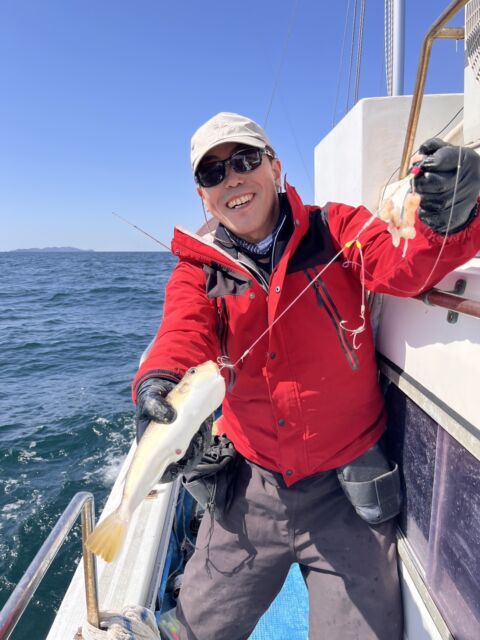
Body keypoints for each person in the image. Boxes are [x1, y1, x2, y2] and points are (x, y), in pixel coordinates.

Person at [132, 112, 480, 640]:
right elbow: (183, 333)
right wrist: (158, 382)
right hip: (251, 486)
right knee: (194, 630)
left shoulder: (337, 228)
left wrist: (453, 216)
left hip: (346, 490)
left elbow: (404, 266)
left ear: (275, 168)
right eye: (213, 173)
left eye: (245, 160)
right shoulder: (198, 269)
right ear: (203, 196)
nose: (232, 179)